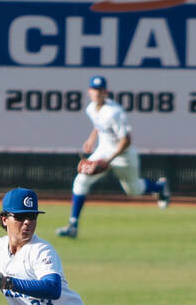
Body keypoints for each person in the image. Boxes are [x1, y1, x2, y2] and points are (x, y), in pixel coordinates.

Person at [55, 74, 170, 239]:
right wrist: (91, 139)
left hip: (123, 156)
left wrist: (107, 161)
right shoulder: (91, 108)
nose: (97, 93)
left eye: (100, 90)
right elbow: (98, 125)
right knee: (81, 181)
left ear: (105, 92)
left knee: (134, 190)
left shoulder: (115, 112)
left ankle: (160, 187)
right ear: (89, 91)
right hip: (103, 150)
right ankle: (73, 225)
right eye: (94, 90)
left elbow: (127, 140)